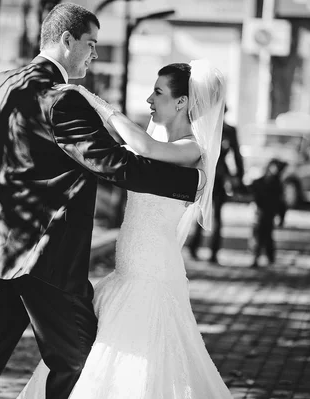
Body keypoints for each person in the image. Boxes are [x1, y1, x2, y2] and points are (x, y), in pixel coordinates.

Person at [0, 4, 201, 399]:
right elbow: (113, 165)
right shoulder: (62, 99)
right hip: (47, 255)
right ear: (67, 41)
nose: (95, 55)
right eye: (91, 44)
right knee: (80, 361)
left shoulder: (2, 82)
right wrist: (191, 181)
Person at [17, 61, 233, 398]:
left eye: (158, 92)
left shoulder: (192, 150)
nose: (149, 99)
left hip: (152, 277)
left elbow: (145, 151)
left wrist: (97, 103)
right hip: (123, 274)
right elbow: (117, 155)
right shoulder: (154, 139)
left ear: (181, 103)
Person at [188, 104, 244, 265]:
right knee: (202, 211)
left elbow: (237, 155)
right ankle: (196, 247)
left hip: (218, 177)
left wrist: (239, 177)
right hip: (205, 174)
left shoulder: (228, 130)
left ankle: (213, 251)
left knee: (215, 214)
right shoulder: (205, 129)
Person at [248, 159, 287, 268]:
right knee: (259, 235)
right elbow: (252, 192)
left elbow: (281, 203)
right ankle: (258, 257)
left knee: (267, 236)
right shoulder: (260, 182)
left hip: (269, 214)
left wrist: (281, 217)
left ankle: (268, 257)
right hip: (260, 214)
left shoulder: (277, 185)